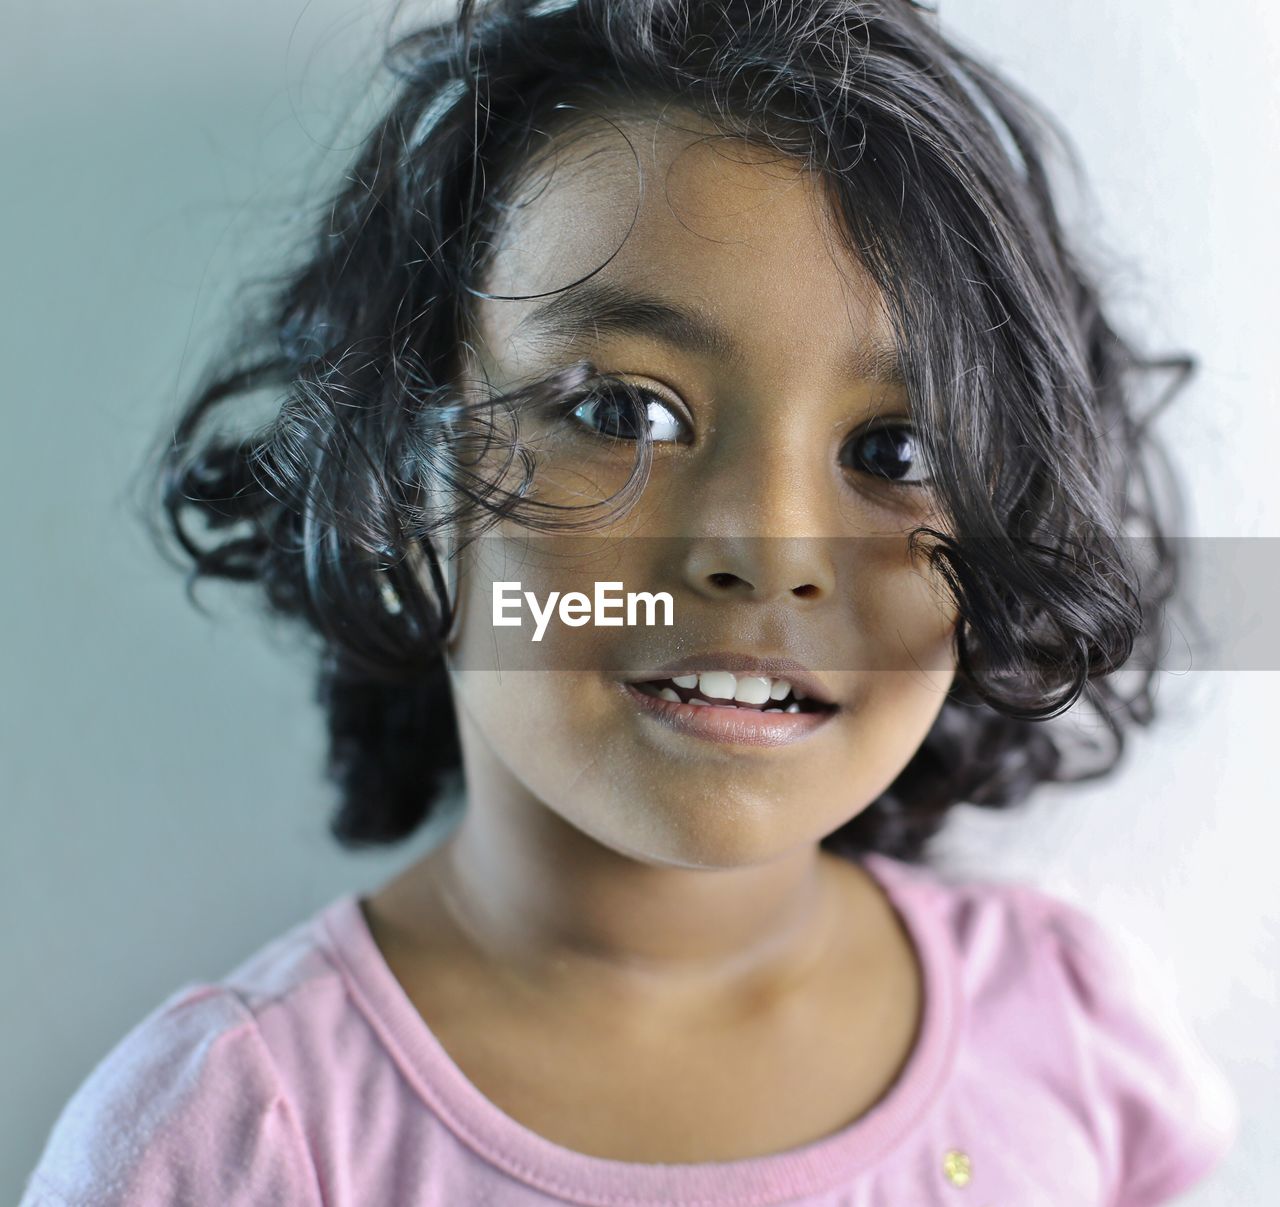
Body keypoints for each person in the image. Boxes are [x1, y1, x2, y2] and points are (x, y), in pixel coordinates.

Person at [22, 0, 1239, 1203]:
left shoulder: (1072, 1038)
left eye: (891, 450)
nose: (764, 554)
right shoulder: (232, 1142)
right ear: (399, 469)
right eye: (621, 414)